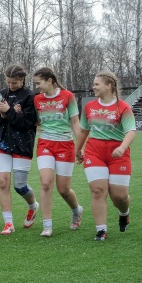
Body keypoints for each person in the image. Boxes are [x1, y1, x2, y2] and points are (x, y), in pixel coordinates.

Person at [74, 71, 136, 241]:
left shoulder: (123, 107)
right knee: (98, 190)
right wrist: (78, 150)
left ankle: (124, 212)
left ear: (109, 86)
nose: (93, 87)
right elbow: (84, 130)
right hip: (94, 151)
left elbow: (131, 131)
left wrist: (122, 147)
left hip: (118, 153)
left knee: (119, 197)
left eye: (96, 84)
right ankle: (101, 230)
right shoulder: (89, 107)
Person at [33, 67, 84, 237]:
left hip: (65, 144)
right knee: (46, 183)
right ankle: (47, 226)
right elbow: (33, 121)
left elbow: (75, 123)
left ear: (50, 80)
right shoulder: (37, 99)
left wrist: (79, 148)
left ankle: (76, 210)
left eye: (39, 83)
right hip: (45, 144)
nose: (37, 87)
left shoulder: (67, 96)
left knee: (63, 189)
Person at [0, 64, 39, 235]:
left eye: (14, 83)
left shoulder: (30, 96)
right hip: (2, 143)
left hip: (23, 144)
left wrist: (8, 111)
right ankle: (8, 223)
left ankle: (33, 206)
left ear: (22, 79)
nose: (11, 85)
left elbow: (26, 124)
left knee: (20, 186)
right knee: (3, 182)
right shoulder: (1, 94)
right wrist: (3, 115)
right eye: (8, 82)